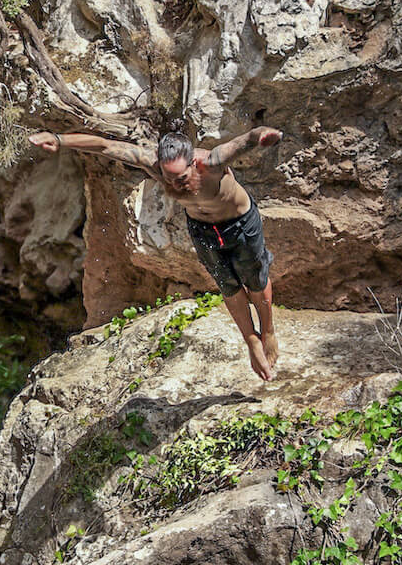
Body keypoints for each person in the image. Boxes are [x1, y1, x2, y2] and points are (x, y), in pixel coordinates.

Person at [29, 126, 282, 381]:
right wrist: (60, 139)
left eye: (181, 178)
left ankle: (268, 329)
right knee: (228, 286)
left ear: (194, 162)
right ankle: (251, 339)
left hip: (240, 224)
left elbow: (247, 138)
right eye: (168, 179)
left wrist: (263, 136)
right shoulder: (153, 165)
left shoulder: (213, 162)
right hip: (202, 230)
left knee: (255, 280)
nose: (174, 185)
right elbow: (104, 146)